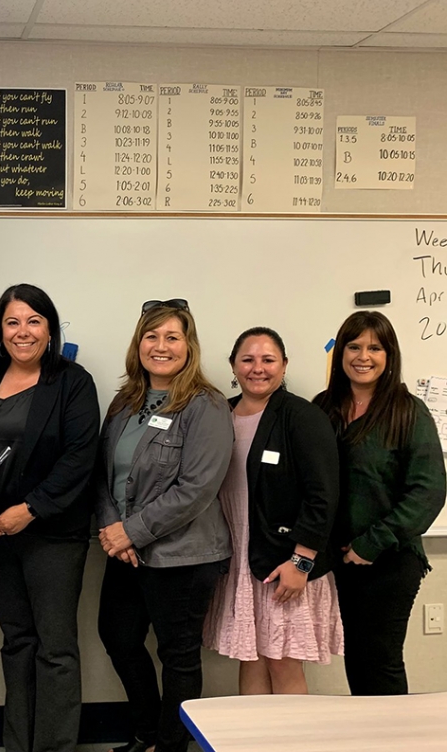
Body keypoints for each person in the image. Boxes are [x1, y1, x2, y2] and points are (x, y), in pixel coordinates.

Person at [0, 283, 100, 752]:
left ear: (50, 328)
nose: (23, 332)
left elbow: (80, 457)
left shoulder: (72, 381)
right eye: (12, 322)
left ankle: (55, 747)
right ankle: (18, 744)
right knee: (16, 642)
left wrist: (30, 509)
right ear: (0, 331)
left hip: (53, 534)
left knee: (55, 648)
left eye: (33, 321)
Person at [94, 300, 233, 752]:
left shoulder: (206, 406)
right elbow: (103, 475)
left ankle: (172, 745)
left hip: (184, 554)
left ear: (188, 347)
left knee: (177, 653)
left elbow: (197, 488)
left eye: (172, 337)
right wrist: (115, 529)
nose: (160, 346)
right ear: (138, 345)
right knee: (117, 636)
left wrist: (131, 532)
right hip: (124, 550)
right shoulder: (124, 402)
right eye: (151, 337)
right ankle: (149, 732)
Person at [202, 327, 343, 695]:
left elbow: (323, 495)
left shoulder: (301, 416)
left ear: (284, 365)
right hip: (239, 559)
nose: (257, 368)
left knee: (282, 661)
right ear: (233, 365)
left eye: (268, 359)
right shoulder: (221, 413)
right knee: (251, 657)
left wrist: (301, 562)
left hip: (284, 563)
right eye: (247, 359)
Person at [314, 311, 446, 695]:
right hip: (337, 560)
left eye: (375, 347)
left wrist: (370, 544)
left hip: (389, 560)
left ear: (390, 355)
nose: (363, 356)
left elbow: (428, 492)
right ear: (340, 352)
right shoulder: (323, 408)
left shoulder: (408, 411)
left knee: (381, 658)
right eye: (354, 346)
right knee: (356, 657)